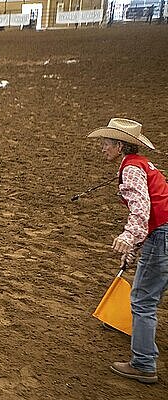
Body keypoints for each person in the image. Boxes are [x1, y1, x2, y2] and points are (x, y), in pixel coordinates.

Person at [87, 118, 168, 384]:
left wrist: (128, 236)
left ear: (120, 145)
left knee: (143, 301)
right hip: (161, 233)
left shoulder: (131, 170)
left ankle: (144, 364)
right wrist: (136, 244)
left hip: (162, 236)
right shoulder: (141, 164)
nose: (102, 148)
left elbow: (142, 210)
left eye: (106, 144)